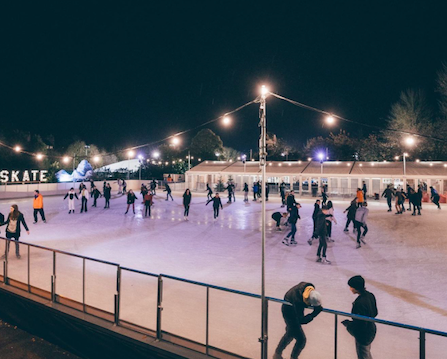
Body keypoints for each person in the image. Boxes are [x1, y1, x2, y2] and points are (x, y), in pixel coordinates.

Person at [273, 282, 323, 359]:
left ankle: (277, 353)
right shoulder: (298, 300)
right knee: (301, 339)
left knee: (290, 333)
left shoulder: (307, 289)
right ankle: (291, 357)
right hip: (289, 313)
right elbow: (301, 320)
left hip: (291, 308)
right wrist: (314, 314)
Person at [342, 275, 378, 359]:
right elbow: (375, 312)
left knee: (363, 355)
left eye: (351, 287)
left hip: (363, 334)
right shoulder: (370, 295)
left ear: (355, 287)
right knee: (366, 353)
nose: (350, 289)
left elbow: (360, 324)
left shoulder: (359, 303)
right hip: (371, 329)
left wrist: (349, 326)